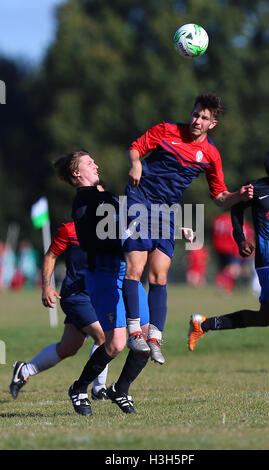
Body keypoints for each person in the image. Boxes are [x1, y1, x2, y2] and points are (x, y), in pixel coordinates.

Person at [122, 92, 253, 364]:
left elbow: (219, 196)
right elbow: (136, 146)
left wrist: (238, 195)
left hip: (167, 211)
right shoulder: (167, 129)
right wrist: (136, 163)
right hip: (139, 198)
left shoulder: (210, 155)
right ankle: (134, 332)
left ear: (212, 124)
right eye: (195, 114)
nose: (197, 120)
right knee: (136, 268)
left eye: (204, 118)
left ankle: (154, 338)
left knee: (159, 276)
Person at [53, 150, 151, 417]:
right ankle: (80, 387)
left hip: (126, 273)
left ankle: (121, 389)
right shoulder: (84, 202)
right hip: (103, 276)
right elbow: (106, 236)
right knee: (116, 343)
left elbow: (131, 220)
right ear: (76, 173)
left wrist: (172, 229)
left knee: (147, 336)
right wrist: (129, 233)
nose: (95, 164)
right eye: (88, 162)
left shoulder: (103, 197)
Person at [188, 145, 269, 351]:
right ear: (266, 163)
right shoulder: (254, 188)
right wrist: (240, 239)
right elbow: (236, 211)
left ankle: (202, 325)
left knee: (264, 318)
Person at [9, 221, 108, 401]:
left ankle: (24, 371)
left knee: (68, 347)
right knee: (104, 337)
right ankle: (98, 388)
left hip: (96, 296)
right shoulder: (69, 229)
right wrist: (46, 286)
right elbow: (50, 256)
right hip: (75, 296)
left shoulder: (110, 228)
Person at [211, 212, 254, 293]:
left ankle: (223, 284)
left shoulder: (219, 218)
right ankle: (226, 286)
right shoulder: (242, 225)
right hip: (232, 249)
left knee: (226, 269)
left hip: (219, 247)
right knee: (233, 270)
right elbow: (239, 236)